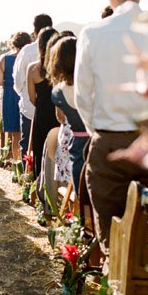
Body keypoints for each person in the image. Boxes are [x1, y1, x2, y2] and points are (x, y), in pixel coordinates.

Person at [74, 0, 148, 253]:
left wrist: (100, 131)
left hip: (111, 143)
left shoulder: (93, 33)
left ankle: (114, 283)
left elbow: (83, 95)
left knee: (111, 233)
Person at [47, 36, 88, 192]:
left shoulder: (58, 92)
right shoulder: (91, 84)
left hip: (74, 139)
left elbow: (61, 117)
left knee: (70, 185)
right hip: (94, 140)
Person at [13, 14, 53, 168]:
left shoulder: (26, 51)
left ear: (35, 31)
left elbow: (17, 81)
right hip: (55, 109)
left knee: (28, 146)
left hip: (31, 107)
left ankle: (28, 179)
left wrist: (25, 95)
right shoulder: (59, 48)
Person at [27, 27, 60, 180]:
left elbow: (32, 97)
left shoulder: (33, 69)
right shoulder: (61, 68)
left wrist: (41, 105)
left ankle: (39, 186)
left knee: (40, 151)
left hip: (41, 113)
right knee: (57, 152)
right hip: (58, 114)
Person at [0, 32, 31, 160]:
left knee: (15, 134)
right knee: (26, 132)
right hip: (25, 93)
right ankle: (26, 162)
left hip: (9, 94)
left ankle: (16, 163)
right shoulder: (29, 58)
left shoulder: (4, 59)